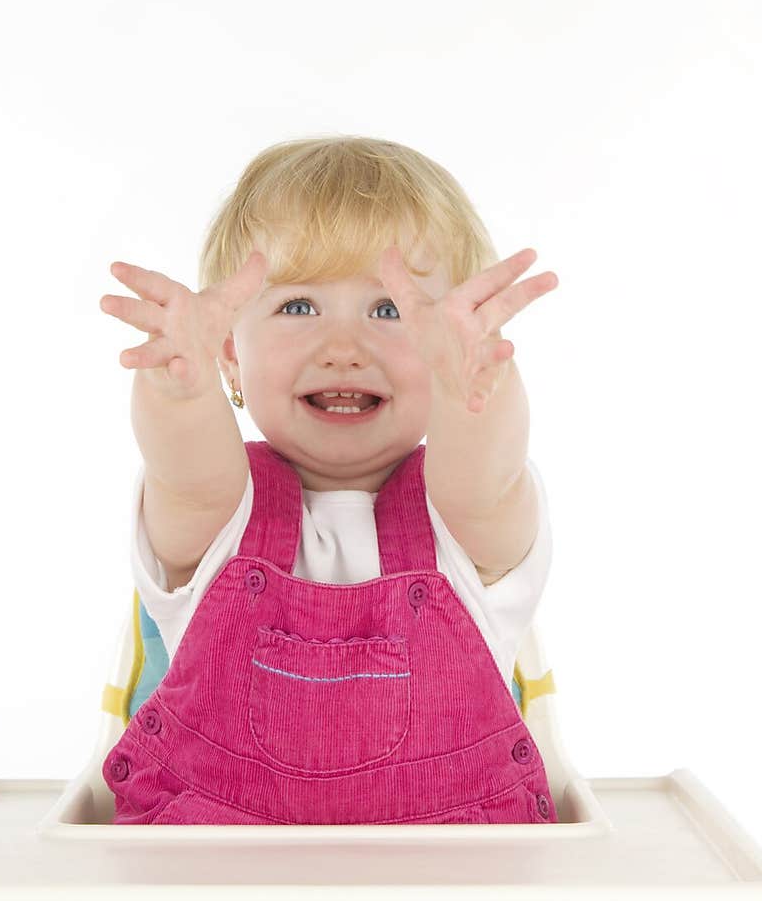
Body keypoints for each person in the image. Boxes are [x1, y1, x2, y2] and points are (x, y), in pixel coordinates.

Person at [99, 135, 559, 825]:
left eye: (389, 311)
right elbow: (187, 476)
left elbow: (486, 478)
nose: (344, 349)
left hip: (454, 887)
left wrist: (478, 388)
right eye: (299, 307)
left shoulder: (461, 519)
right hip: (214, 879)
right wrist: (177, 391)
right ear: (229, 352)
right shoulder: (221, 512)